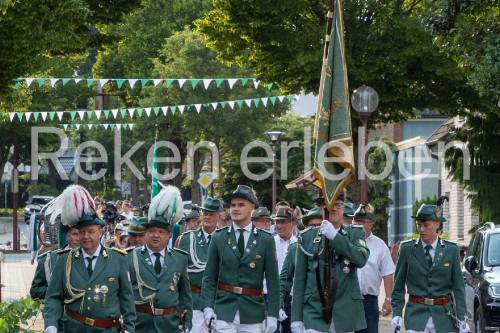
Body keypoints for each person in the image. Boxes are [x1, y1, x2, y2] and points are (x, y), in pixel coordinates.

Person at [44, 185, 136, 333]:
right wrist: (51, 325)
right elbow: (53, 297)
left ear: (100, 233)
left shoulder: (117, 259)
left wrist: (129, 329)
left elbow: (127, 300)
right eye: (82, 232)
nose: (86, 236)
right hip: (73, 329)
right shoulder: (65, 259)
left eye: (91, 232)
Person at [202, 185, 279, 333]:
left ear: (252, 207)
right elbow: (209, 278)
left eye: (241, 205)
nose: (235, 209)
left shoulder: (265, 239)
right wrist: (207, 308)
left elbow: (273, 282)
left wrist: (273, 315)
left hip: (252, 312)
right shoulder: (219, 237)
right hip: (224, 309)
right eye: (233, 205)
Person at [291, 194, 369, 333]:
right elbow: (299, 281)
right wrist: (296, 318)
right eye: (328, 205)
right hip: (314, 312)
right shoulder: (307, 237)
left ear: (343, 209)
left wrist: (335, 237)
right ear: (321, 209)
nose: (333, 208)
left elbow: (361, 259)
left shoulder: (355, 233)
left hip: (345, 312)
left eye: (337, 205)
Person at [391, 200, 470, 333]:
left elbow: (458, 288)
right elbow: (398, 287)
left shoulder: (451, 250)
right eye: (419, 225)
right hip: (415, 316)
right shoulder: (407, 249)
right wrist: (397, 313)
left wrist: (462, 317)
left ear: (437, 224)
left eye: (426, 225)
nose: (421, 229)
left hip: (443, 316)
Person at [128, 185, 192, 332]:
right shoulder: (131, 257)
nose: (156, 235)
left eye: (161, 232)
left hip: (170, 325)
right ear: (146, 233)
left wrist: (187, 324)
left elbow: (185, 296)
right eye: (152, 231)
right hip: (139, 326)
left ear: (169, 234)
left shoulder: (179, 258)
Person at [177, 197, 220, 333]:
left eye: (211, 214)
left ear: (219, 216)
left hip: (219, 301)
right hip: (194, 301)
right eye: (205, 213)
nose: (207, 217)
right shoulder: (187, 238)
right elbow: (178, 272)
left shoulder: (226, 239)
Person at [351, 204, 395, 333]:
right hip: (347, 300)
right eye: (356, 221)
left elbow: (387, 274)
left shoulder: (379, 245)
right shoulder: (345, 241)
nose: (358, 224)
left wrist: (388, 299)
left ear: (370, 225)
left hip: (368, 302)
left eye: (362, 222)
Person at [280, 207, 323, 326]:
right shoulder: (295, 249)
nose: (316, 229)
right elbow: (285, 280)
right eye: (312, 226)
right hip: (306, 309)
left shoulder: (333, 248)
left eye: (319, 225)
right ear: (306, 228)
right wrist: (278, 304)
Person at [30, 222, 80, 300]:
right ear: (67, 235)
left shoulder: (95, 259)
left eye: (81, 234)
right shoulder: (49, 259)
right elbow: (35, 291)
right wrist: (58, 291)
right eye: (75, 234)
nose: (78, 238)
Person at [272, 207, 298, 333]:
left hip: (292, 300)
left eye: (283, 222)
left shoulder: (299, 244)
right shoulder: (269, 242)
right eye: (277, 222)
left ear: (293, 224)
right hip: (271, 298)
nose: (279, 225)